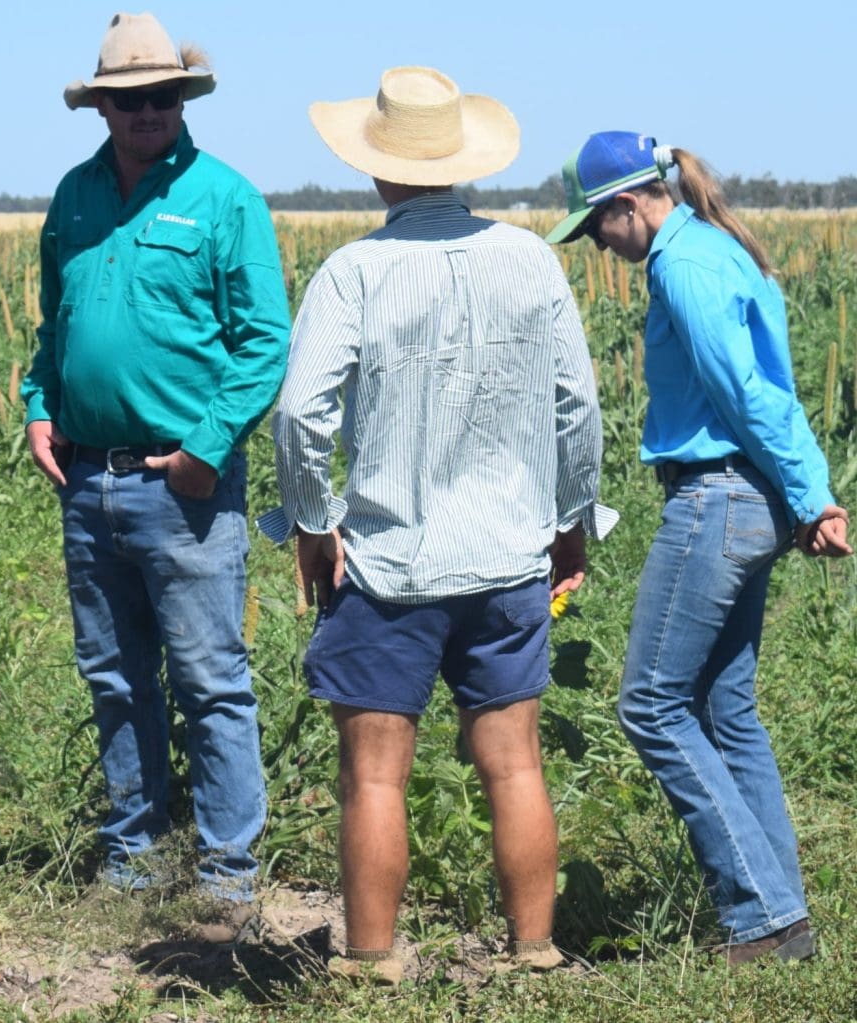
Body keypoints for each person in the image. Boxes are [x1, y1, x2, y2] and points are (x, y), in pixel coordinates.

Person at [262, 67, 603, 982]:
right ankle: (534, 952)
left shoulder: (356, 271)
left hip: (387, 561)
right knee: (515, 765)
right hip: (506, 555)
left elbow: (300, 416)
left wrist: (311, 523)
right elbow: (578, 406)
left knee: (375, 775)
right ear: (464, 165)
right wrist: (571, 522)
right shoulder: (531, 259)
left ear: (376, 169)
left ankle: (370, 961)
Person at [546, 132, 851, 965]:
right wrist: (803, 488)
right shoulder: (720, 248)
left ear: (628, 205)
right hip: (748, 496)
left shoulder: (681, 266)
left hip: (717, 496)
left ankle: (761, 915)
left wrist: (814, 495)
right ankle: (784, 919)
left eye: (596, 229)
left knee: (649, 704)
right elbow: (776, 392)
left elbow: (750, 395)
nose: (598, 247)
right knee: (725, 710)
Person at [20, 12, 290, 937]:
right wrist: (37, 403)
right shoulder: (74, 196)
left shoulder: (225, 199)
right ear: (102, 106)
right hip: (87, 481)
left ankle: (226, 872)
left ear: (183, 99)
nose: (147, 111)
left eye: (163, 96)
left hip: (184, 486)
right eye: (130, 98)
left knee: (210, 677)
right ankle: (132, 855)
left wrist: (205, 451)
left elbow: (264, 344)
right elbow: (54, 324)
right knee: (116, 676)